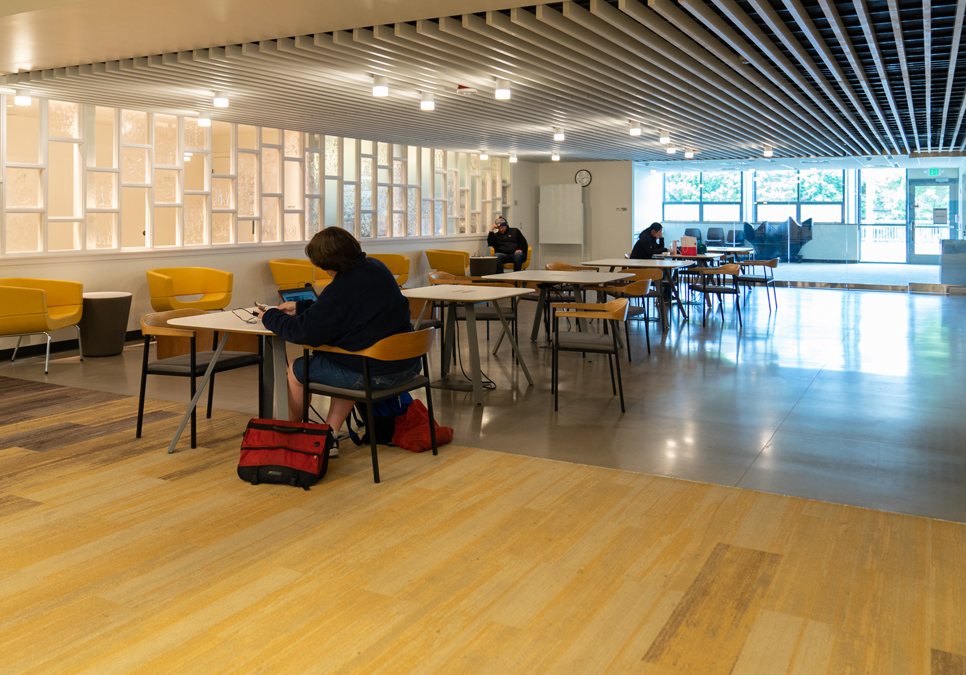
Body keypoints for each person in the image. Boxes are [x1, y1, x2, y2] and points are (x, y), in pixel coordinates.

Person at [255, 227, 420, 457]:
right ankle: (328, 435)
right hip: (408, 366)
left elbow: (303, 333)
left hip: (376, 373)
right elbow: (350, 307)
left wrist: (270, 315)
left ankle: (291, 434)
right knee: (343, 362)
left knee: (296, 369)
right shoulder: (377, 268)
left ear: (329, 264)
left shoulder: (341, 288)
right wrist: (303, 307)